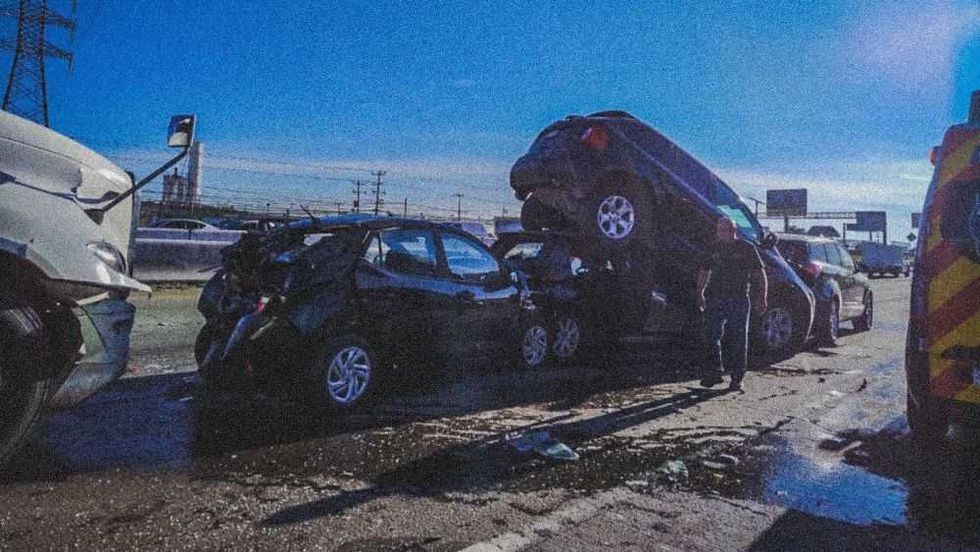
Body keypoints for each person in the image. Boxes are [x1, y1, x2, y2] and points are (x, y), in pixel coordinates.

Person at [696, 217, 768, 391]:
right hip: (716, 297)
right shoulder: (713, 248)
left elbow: (759, 274)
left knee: (738, 338)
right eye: (718, 230)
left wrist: (762, 296)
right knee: (712, 335)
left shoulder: (746, 248)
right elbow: (705, 271)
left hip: (739, 298)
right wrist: (700, 292)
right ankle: (714, 372)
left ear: (733, 231)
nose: (720, 233)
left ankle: (737, 378)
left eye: (724, 230)